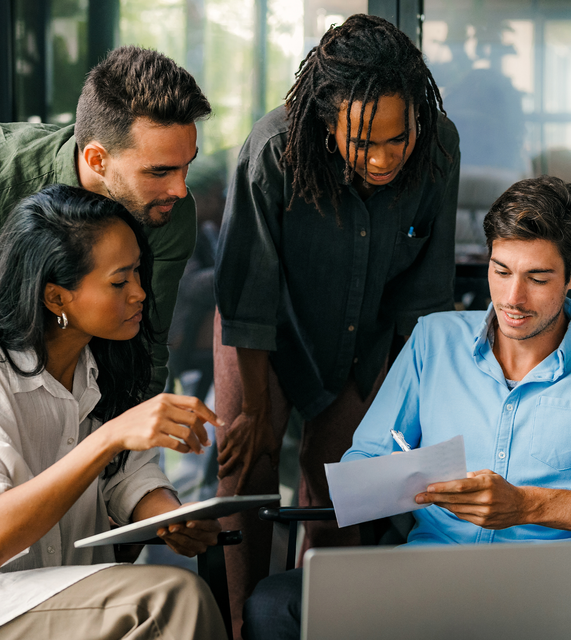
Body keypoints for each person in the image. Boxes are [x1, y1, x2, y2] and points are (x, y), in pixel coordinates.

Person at [242, 175, 571, 640]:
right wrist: (414, 479)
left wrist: (526, 506)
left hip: (553, 580)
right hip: (427, 568)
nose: (513, 298)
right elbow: (362, 462)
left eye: (537, 277)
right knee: (274, 604)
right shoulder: (434, 339)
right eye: (501, 270)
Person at [213, 13, 460, 636]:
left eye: (395, 140)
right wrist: (256, 411)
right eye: (361, 143)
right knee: (249, 464)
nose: (382, 159)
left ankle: (318, 622)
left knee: (346, 483)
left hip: (365, 335)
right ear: (327, 123)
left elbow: (423, 294)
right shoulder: (274, 147)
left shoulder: (438, 148)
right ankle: (244, 623)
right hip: (263, 328)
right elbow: (249, 289)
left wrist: (402, 400)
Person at [0, 185, 226, 639]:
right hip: (10, 601)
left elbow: (130, 478)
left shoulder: (105, 367)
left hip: (80, 589)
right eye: (119, 282)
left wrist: (171, 519)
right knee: (169, 598)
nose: (141, 293)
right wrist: (109, 438)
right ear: (56, 298)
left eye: (139, 274)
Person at [0, 45, 212, 396]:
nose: (179, 189)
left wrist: (135, 441)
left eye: (187, 164)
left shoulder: (169, 209)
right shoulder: (9, 177)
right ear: (97, 160)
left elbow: (146, 347)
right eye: (159, 171)